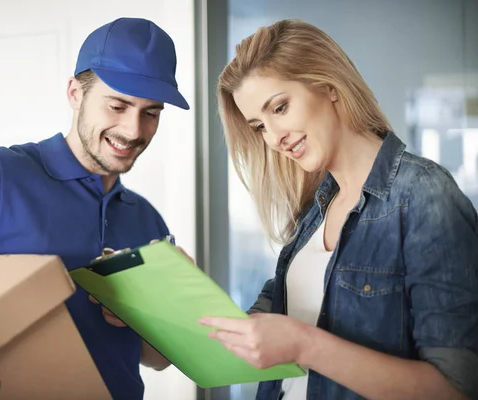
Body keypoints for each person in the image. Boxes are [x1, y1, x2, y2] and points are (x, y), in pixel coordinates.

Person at [0, 17, 191, 400]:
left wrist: (169, 308)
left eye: (151, 113)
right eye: (118, 105)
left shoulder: (147, 219)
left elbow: (156, 359)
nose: (133, 130)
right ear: (75, 92)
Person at [199, 19, 478, 400]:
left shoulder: (424, 196)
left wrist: (305, 346)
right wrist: (186, 291)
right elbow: (263, 323)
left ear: (328, 87)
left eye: (279, 107)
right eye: (260, 126)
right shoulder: (313, 211)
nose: (275, 138)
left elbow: (457, 388)